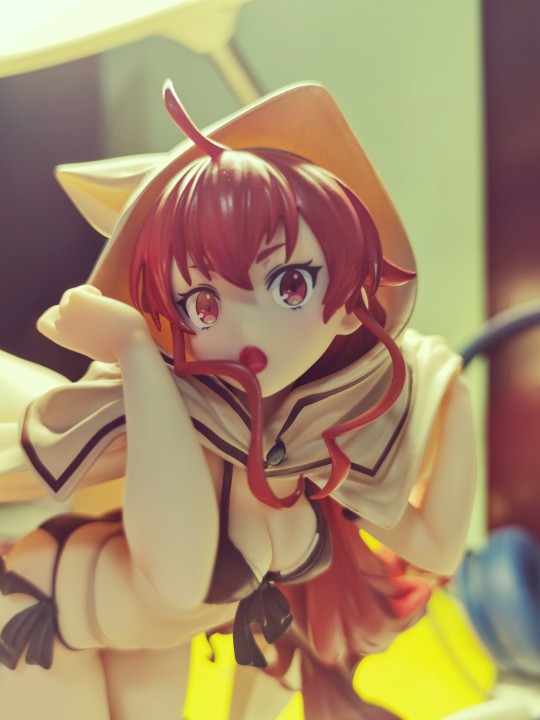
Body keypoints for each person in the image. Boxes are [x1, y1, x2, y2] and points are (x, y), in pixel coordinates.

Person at [0, 80, 475, 720]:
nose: (245, 329)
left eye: (289, 284)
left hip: (145, 645)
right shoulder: (181, 412)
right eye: (203, 303)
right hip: (41, 618)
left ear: (349, 304)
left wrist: (450, 388)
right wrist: (134, 349)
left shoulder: (310, 443)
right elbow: (179, 578)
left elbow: (437, 547)